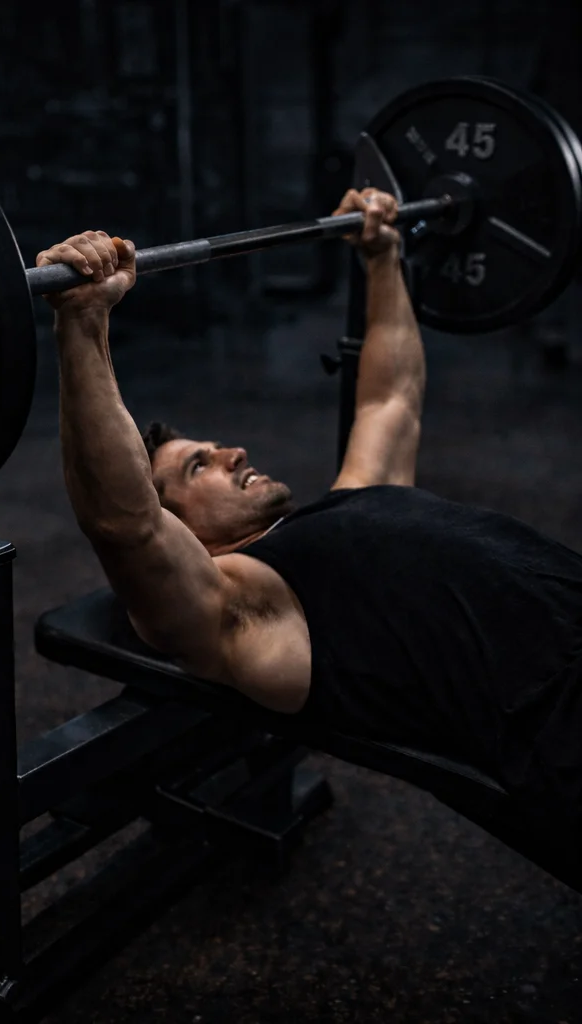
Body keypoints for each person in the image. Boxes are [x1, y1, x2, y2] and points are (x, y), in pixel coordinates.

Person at [45, 187, 582, 853]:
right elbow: (124, 525)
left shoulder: (353, 498)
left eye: (213, 447)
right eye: (197, 467)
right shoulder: (251, 605)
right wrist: (84, 323)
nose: (232, 451)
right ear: (182, 531)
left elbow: (392, 400)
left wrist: (383, 256)